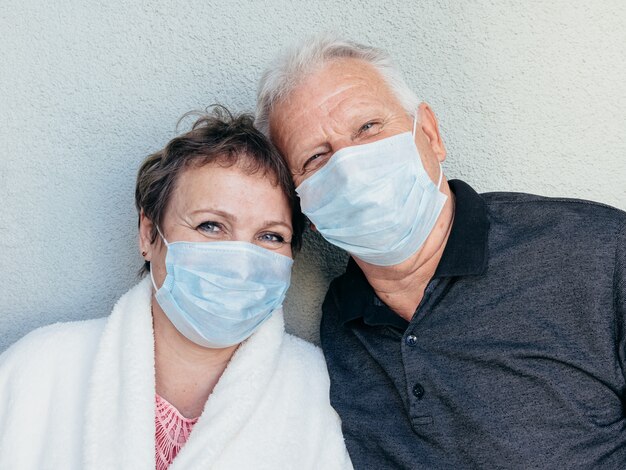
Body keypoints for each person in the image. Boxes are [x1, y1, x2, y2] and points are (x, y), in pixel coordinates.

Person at [256, 35, 626, 468]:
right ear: (305, 207)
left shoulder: (597, 252)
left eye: (369, 128)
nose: (352, 169)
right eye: (317, 157)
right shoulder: (341, 321)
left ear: (429, 134)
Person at [0, 106, 352, 470]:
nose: (241, 260)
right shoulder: (36, 373)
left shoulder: (321, 394)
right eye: (211, 226)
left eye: (270, 236)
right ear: (149, 234)